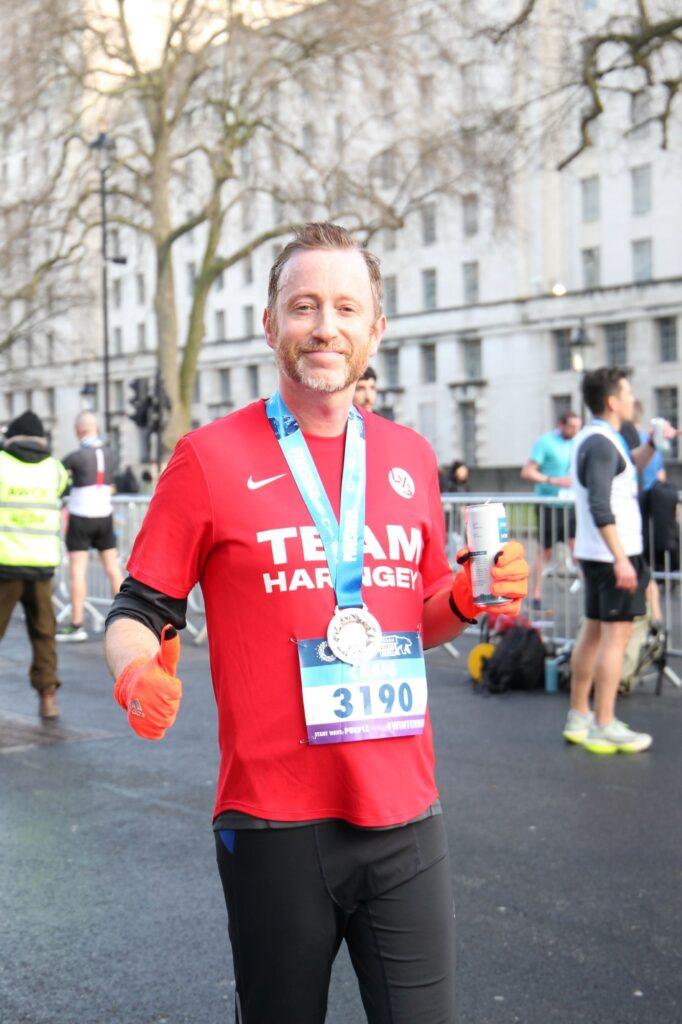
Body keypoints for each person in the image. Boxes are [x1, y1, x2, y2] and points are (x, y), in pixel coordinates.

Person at [104, 222, 529, 1024]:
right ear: (271, 326)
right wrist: (135, 671)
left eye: (345, 307)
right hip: (275, 822)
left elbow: (418, 614)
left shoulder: (407, 456)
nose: (324, 326)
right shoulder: (209, 456)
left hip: (406, 814)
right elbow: (138, 609)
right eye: (303, 307)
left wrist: (471, 597)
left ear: (376, 328)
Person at [563, 368, 675, 755]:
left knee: (593, 632)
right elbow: (599, 501)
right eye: (627, 392)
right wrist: (621, 559)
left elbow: (630, 469)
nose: (632, 398)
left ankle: (580, 715)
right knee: (615, 637)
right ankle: (604, 722)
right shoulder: (600, 443)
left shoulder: (601, 440)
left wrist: (654, 442)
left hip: (601, 555)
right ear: (612, 401)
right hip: (613, 556)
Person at [0, 411, 69, 718]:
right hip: (42, 565)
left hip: (5, 563)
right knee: (44, 632)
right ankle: (48, 696)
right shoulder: (55, 469)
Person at [58, 412, 124, 642]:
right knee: (113, 568)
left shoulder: (75, 457)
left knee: (78, 571)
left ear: (78, 430)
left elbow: (60, 478)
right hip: (104, 515)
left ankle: (77, 624)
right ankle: (125, 621)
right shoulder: (111, 454)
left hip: (80, 516)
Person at [521, 410, 581, 609]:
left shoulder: (578, 442)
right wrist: (552, 480)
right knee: (545, 552)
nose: (574, 430)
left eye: (577, 427)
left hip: (571, 504)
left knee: (578, 548)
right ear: (561, 425)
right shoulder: (545, 442)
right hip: (549, 504)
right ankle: (535, 594)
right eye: (571, 426)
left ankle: (591, 594)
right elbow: (527, 472)